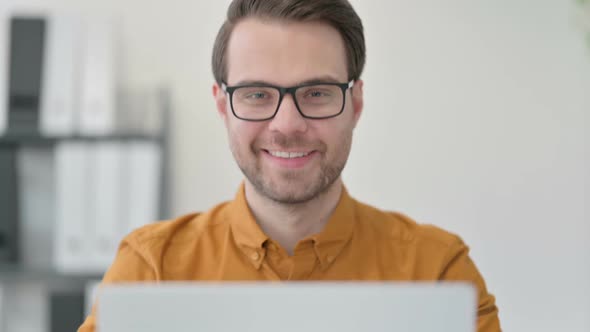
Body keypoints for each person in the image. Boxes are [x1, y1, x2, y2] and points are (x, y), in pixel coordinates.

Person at [78, 0, 501, 331]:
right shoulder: (151, 270)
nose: (287, 125)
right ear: (223, 105)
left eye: (316, 92)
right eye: (257, 94)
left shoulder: (437, 274)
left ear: (355, 103)